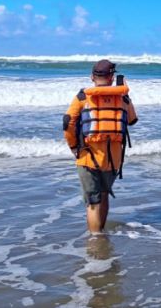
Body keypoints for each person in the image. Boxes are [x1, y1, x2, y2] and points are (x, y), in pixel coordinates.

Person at [62, 59, 136, 234]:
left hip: (88, 157)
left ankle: (96, 240)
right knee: (104, 195)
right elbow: (132, 119)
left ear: (92, 77)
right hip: (113, 160)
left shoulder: (82, 97)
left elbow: (67, 122)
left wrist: (73, 146)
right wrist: (123, 92)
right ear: (112, 78)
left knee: (93, 203)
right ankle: (100, 234)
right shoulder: (123, 98)